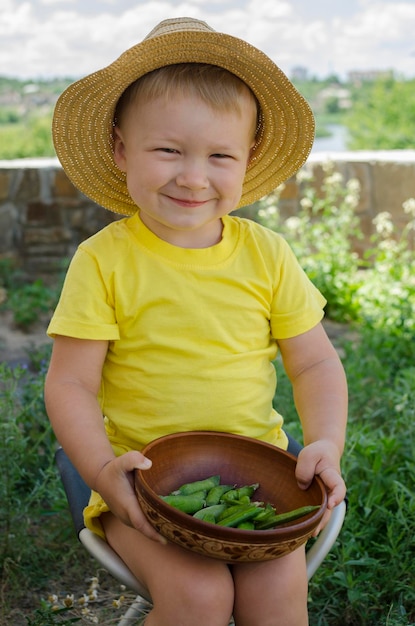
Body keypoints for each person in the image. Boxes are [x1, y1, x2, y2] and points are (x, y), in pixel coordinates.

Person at [45, 17, 347, 626]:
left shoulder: (266, 255)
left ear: (249, 159)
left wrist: (325, 442)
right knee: (200, 599)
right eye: (167, 150)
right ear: (120, 149)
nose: (192, 176)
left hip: (256, 478)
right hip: (144, 482)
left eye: (219, 155)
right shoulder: (104, 260)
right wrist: (106, 471)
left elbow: (313, 361)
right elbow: (70, 383)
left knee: (276, 600)